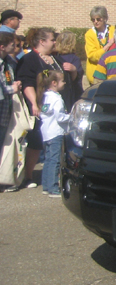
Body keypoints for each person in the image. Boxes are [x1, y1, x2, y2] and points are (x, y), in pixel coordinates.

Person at [15, 27, 61, 186]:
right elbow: (27, 83)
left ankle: (53, 175)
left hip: (55, 107)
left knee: (53, 142)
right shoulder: (30, 60)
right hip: (39, 107)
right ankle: (28, 176)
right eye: (52, 39)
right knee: (36, 141)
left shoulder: (54, 59)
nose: (54, 42)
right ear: (42, 41)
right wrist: (34, 103)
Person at [36, 70, 70, 198]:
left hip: (46, 133)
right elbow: (60, 117)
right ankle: (53, 188)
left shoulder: (44, 96)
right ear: (54, 83)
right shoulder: (57, 99)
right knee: (55, 161)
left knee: (48, 160)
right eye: (62, 80)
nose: (64, 82)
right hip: (56, 133)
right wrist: (71, 117)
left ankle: (46, 186)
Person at [0, 32, 22, 185]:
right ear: (2, 47)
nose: (16, 48)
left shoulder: (9, 62)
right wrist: (12, 89)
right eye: (13, 45)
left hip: (6, 113)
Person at [53, 31, 84, 111]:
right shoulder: (74, 59)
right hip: (73, 93)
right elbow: (75, 79)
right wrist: (74, 70)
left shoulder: (54, 57)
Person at [85, 6, 115, 85]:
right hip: (96, 76)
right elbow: (92, 56)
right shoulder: (90, 34)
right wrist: (108, 45)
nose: (95, 22)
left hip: (112, 73)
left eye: (98, 19)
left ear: (104, 18)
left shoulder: (113, 30)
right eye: (93, 20)